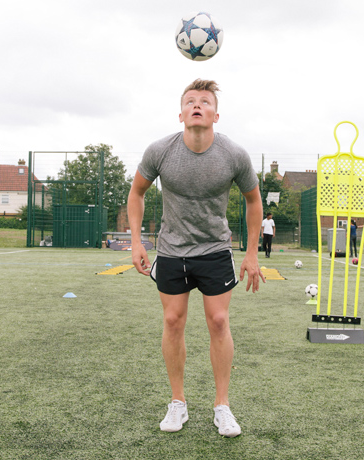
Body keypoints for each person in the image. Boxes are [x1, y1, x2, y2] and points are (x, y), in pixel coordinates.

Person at [128, 79, 265, 438]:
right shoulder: (160, 151)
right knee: (173, 321)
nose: (197, 105)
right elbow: (136, 193)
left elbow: (254, 201)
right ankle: (178, 403)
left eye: (204, 101)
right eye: (190, 101)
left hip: (215, 249)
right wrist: (136, 241)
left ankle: (222, 406)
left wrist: (251, 254)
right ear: (181, 114)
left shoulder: (234, 155)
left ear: (216, 115)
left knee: (219, 321)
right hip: (172, 249)